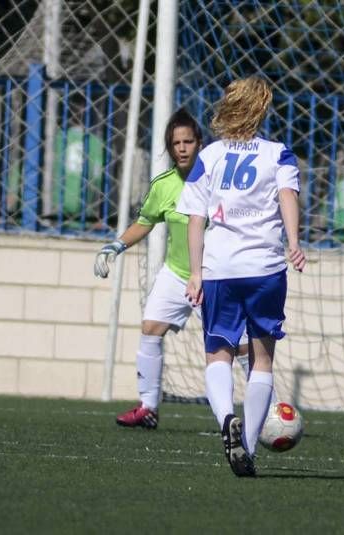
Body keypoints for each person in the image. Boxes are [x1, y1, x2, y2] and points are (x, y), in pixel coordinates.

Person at [177, 77, 306, 477]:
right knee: (262, 357)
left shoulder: (209, 156)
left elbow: (195, 220)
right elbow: (288, 196)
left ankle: (224, 423)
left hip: (220, 269)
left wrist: (196, 273)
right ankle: (247, 447)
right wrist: (294, 242)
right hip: (265, 268)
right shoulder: (278, 153)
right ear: (261, 109)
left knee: (218, 352)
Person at [94, 108, 252, 429]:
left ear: (200, 144)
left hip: (216, 278)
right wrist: (115, 246)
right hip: (177, 273)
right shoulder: (164, 185)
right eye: (176, 142)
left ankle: (269, 407)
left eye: (188, 141)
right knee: (150, 328)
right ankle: (148, 407)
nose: (182, 148)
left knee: (244, 346)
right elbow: (145, 222)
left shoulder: (220, 181)